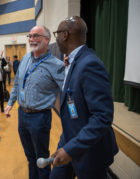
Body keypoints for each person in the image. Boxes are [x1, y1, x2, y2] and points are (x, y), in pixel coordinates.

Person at [50, 16, 118, 179]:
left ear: (65, 35)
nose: (57, 39)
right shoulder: (73, 61)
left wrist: (70, 148)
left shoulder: (89, 64)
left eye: (57, 34)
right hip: (70, 138)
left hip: (90, 150)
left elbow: (102, 117)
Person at [5, 26, 64, 179]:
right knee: (30, 158)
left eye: (36, 36)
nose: (31, 39)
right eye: (29, 36)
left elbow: (69, 90)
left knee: (41, 160)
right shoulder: (25, 58)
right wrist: (11, 102)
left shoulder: (56, 65)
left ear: (47, 39)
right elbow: (18, 83)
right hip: (22, 114)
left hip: (40, 118)